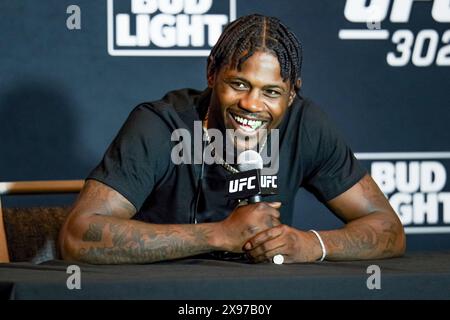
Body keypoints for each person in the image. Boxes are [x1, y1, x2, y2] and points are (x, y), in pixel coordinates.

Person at [59, 14, 405, 264]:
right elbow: (77, 236)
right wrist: (219, 234)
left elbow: (388, 228)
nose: (252, 104)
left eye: (271, 91)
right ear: (211, 73)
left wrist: (310, 244)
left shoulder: (306, 125)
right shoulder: (160, 124)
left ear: (291, 95)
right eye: (239, 84)